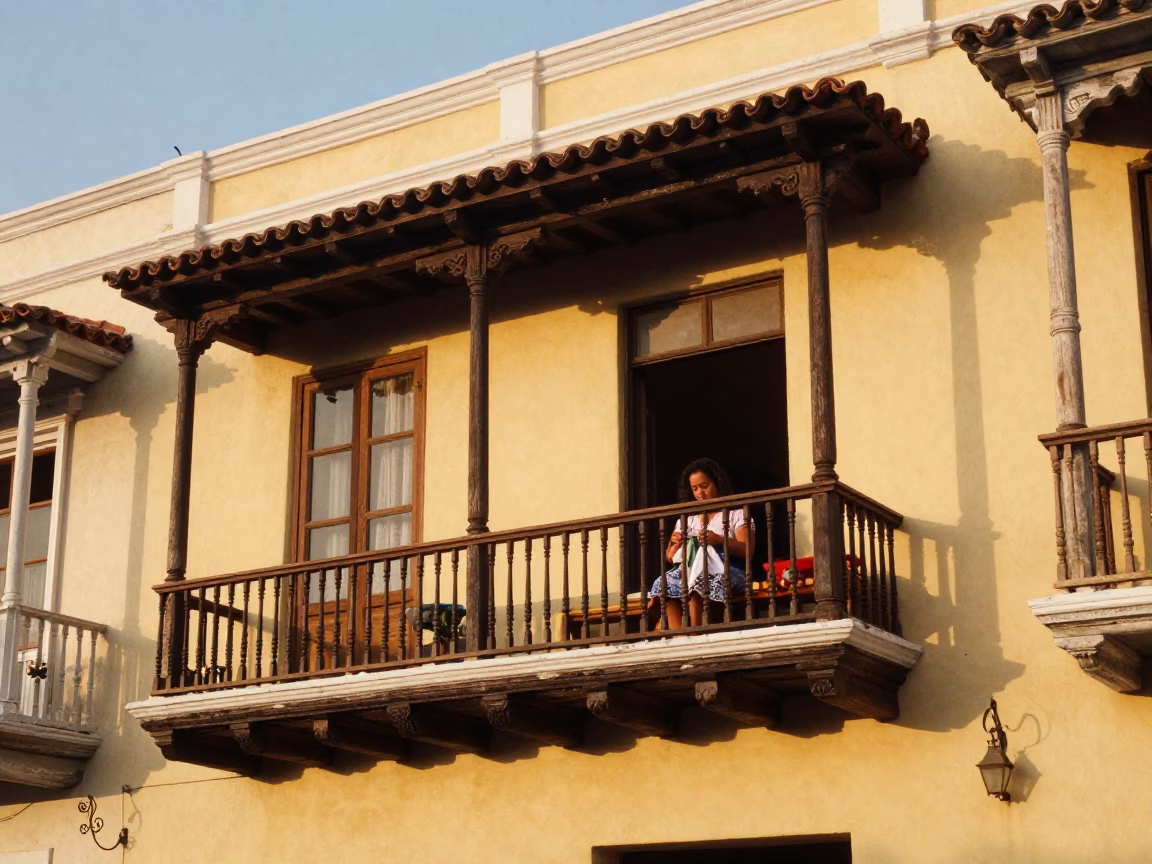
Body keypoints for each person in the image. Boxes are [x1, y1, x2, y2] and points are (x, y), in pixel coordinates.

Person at [647, 458, 752, 630]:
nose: (699, 493)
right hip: (689, 567)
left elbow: (747, 550)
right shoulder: (688, 520)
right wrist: (674, 546)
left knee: (698, 584)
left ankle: (696, 634)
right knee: (664, 584)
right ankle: (680, 637)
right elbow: (670, 556)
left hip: (726, 568)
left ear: (717, 483)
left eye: (704, 486)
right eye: (695, 488)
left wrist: (719, 540)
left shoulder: (736, 515)